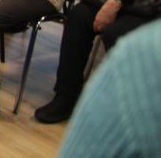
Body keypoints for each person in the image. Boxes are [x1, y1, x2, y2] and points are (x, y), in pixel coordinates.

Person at [58, 18, 161, 157]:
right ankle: (65, 96)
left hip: (142, 13)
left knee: (114, 32)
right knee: (79, 17)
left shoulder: (142, 53)